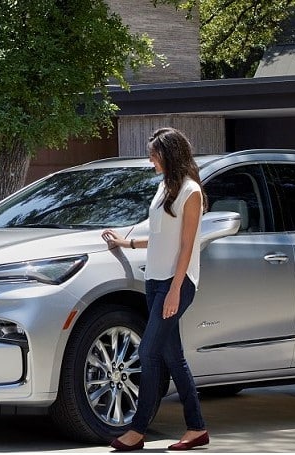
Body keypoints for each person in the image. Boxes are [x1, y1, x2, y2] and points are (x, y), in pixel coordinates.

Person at [101, 127, 209, 451]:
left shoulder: (191, 192)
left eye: (154, 154)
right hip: (155, 281)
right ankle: (197, 428)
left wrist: (176, 289)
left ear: (170, 154)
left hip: (177, 282)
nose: (151, 160)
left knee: (147, 352)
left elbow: (188, 245)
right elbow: (163, 236)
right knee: (173, 358)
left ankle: (137, 430)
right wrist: (127, 242)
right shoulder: (165, 188)